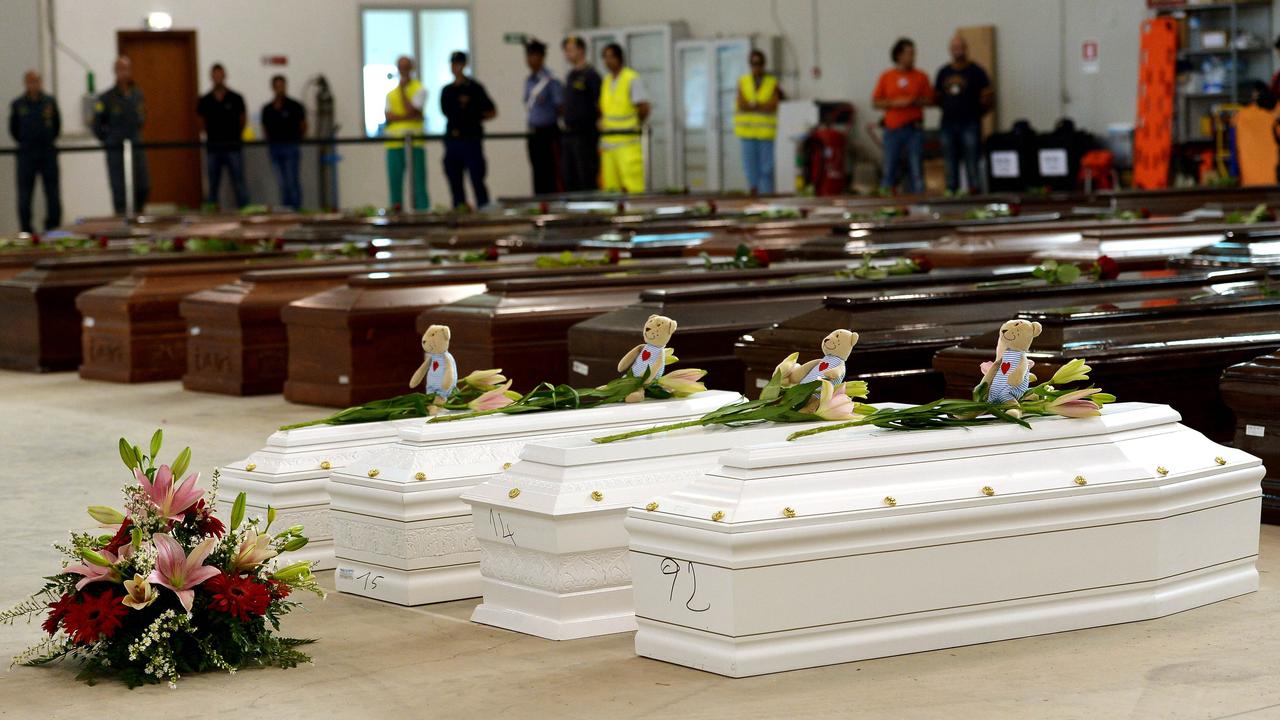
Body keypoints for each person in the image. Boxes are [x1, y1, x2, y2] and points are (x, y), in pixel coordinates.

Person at [872, 38, 932, 194]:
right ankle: (886, 205)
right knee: (889, 170)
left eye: (913, 54)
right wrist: (895, 103)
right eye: (908, 54)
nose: (912, 57)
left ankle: (919, 206)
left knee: (916, 170)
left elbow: (931, 99)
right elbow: (876, 102)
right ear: (899, 56)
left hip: (914, 129)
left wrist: (913, 101)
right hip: (892, 130)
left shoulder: (921, 76)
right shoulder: (887, 76)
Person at [935, 35, 993, 193]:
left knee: (972, 161)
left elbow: (988, 98)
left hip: (970, 123)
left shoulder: (977, 71)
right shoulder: (944, 72)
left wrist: (978, 113)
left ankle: (974, 192)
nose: (957, 50)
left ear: (966, 48)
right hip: (948, 123)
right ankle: (952, 192)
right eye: (954, 47)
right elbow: (937, 98)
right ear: (950, 50)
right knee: (950, 162)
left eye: (960, 47)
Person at [93, 56, 149, 216]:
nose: (123, 73)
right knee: (119, 188)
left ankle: (139, 215)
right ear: (115, 71)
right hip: (116, 148)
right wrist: (109, 140)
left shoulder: (137, 95)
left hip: (136, 145)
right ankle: (121, 218)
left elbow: (142, 117)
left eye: (126, 69)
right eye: (120, 69)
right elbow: (97, 126)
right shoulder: (106, 98)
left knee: (143, 185)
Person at [440, 51, 496, 209]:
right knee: (455, 183)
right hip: (453, 141)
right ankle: (460, 211)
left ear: (464, 65)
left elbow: (491, 111)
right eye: (453, 64)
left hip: (471, 139)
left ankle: (483, 211)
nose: (455, 67)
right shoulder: (447, 91)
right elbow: (446, 112)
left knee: (477, 180)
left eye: (458, 63)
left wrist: (473, 116)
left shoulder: (475, 88)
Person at [8, 70, 61, 233]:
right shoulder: (18, 104)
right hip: (26, 155)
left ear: (40, 82)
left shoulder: (49, 102)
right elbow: (14, 130)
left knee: (52, 194)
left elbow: (57, 126)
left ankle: (53, 227)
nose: (34, 84)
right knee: (24, 196)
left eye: (36, 81)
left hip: (47, 153)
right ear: (25, 83)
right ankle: (26, 230)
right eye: (30, 81)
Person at [195, 63, 248, 208]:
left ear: (224, 76)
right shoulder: (205, 100)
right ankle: (212, 211)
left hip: (233, 146)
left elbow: (243, 120)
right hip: (213, 147)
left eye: (220, 74)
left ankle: (244, 211)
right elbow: (200, 123)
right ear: (211, 77)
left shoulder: (236, 98)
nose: (218, 77)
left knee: (239, 182)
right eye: (215, 74)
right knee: (213, 183)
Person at [599, 43, 650, 193]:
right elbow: (605, 108)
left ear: (620, 58)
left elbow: (643, 108)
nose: (608, 61)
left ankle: (636, 215)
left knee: (633, 184)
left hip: (627, 143)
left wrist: (634, 124)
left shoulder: (631, 78)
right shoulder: (607, 80)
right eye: (605, 58)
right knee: (610, 187)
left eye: (611, 57)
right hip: (609, 143)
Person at [384, 55, 429, 210]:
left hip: (414, 143)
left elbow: (412, 109)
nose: (403, 70)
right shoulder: (390, 93)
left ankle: (423, 213)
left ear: (412, 68)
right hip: (394, 143)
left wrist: (403, 92)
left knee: (418, 182)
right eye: (401, 67)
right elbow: (389, 116)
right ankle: (397, 211)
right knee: (395, 182)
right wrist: (409, 116)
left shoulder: (420, 89)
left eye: (406, 67)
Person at [734, 49, 781, 195]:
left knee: (766, 170)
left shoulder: (771, 82)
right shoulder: (744, 81)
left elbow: (772, 105)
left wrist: (753, 105)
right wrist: (760, 105)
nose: (757, 67)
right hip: (747, 134)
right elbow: (742, 104)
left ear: (764, 64)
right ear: (750, 65)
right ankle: (753, 198)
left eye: (759, 64)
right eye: (754, 64)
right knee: (750, 170)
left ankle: (766, 197)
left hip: (766, 135)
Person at [560, 36, 601, 192]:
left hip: (585, 134)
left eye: (570, 50)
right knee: (569, 176)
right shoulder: (571, 75)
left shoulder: (591, 75)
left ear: (581, 50)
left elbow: (599, 104)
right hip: (569, 133)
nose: (567, 54)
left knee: (586, 176)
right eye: (565, 51)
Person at [524, 40, 564, 195]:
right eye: (528, 56)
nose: (529, 59)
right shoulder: (529, 81)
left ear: (541, 57)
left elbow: (560, 106)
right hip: (533, 132)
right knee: (537, 172)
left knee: (551, 173)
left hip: (549, 133)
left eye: (533, 55)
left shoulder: (550, 80)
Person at [261, 75, 307, 209]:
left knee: (292, 181)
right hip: (275, 148)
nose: (280, 89)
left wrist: (297, 139)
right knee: (282, 183)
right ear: (273, 88)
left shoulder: (295, 106)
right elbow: (265, 129)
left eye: (282, 85)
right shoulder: (268, 109)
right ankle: (286, 210)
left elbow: (303, 126)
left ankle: (296, 210)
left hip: (291, 147)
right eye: (277, 86)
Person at [1234, 81, 1279, 187]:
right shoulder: (1275, 113)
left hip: (1250, 184)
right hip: (1273, 182)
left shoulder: (1240, 116)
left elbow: (1234, 149)